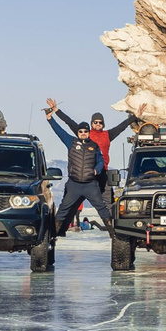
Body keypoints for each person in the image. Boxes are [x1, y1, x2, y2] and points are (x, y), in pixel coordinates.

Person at [44, 100, 134, 234]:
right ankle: (58, 232)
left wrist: (135, 117)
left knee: (105, 207)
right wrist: (54, 113)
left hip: (97, 178)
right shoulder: (74, 141)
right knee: (67, 207)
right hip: (76, 181)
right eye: (95, 122)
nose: (97, 124)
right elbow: (66, 126)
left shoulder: (102, 139)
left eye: (100, 122)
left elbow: (121, 127)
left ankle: (114, 234)